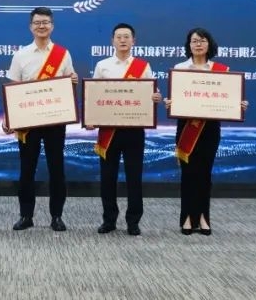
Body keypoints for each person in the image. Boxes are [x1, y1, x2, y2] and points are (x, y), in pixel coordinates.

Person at [165, 27, 247, 236]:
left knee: (204, 174)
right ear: (189, 45)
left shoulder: (221, 70)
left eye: (202, 40)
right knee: (188, 174)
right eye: (194, 41)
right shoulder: (180, 68)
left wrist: (238, 105)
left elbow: (228, 98)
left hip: (210, 129)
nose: (198, 44)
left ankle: (203, 217)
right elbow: (176, 98)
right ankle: (187, 218)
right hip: (187, 127)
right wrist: (170, 104)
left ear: (209, 44)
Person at [5, 6, 78, 232]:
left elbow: (68, 83)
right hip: (28, 123)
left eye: (45, 22)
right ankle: (26, 215)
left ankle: (57, 216)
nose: (41, 26)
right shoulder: (21, 55)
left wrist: (73, 80)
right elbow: (13, 89)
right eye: (37, 22)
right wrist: (10, 118)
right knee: (27, 169)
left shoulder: (62, 54)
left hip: (55, 121)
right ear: (31, 27)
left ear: (52, 26)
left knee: (57, 169)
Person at [88, 23, 161, 236]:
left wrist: (155, 96)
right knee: (107, 177)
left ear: (133, 41)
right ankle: (109, 219)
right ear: (112, 41)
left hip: (134, 128)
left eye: (126, 36)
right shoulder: (102, 65)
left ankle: (133, 221)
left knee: (134, 177)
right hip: (109, 130)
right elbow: (94, 95)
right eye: (119, 37)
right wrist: (91, 117)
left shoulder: (142, 66)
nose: (122, 40)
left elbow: (150, 92)